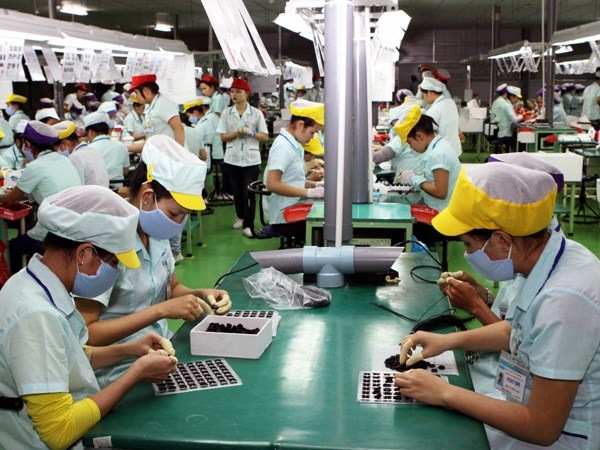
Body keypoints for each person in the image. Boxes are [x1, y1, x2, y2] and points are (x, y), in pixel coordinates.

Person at [395, 163, 600, 449]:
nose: (468, 254)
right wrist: (447, 342)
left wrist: (444, 393)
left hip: (559, 439)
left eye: (468, 245)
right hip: (522, 404)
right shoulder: (546, 259)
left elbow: (542, 427)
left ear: (502, 240)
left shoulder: (565, 301)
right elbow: (517, 332)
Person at [0, 185, 179, 450]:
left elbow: (68, 358)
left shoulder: (31, 283)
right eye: (114, 263)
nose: (116, 271)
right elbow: (58, 432)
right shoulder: (35, 315)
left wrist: (129, 350)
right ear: (83, 254)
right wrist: (136, 373)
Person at [74, 135, 231, 387]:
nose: (178, 223)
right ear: (147, 197)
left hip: (161, 355)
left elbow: (171, 288)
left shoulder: (156, 232)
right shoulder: (107, 245)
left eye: (184, 216)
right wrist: (160, 311)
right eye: (175, 213)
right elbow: (87, 333)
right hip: (117, 371)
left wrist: (201, 294)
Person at [0, 121, 81, 272]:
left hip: (53, 230)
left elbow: (11, 198)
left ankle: (18, 279)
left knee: (12, 248)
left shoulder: (35, 167)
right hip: (74, 224)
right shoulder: (64, 160)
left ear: (28, 145)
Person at [264, 99, 325, 239]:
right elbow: (272, 184)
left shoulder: (293, 145)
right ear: (300, 125)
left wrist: (316, 185)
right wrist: (309, 192)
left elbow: (292, 179)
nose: (312, 137)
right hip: (284, 217)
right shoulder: (283, 147)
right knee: (327, 226)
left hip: (293, 208)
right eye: (312, 132)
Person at [217, 78, 269, 237]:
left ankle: (248, 224)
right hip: (232, 158)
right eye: (232, 92)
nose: (234, 95)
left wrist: (251, 133)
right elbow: (223, 136)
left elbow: (265, 136)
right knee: (237, 192)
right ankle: (240, 216)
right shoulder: (226, 113)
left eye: (238, 92)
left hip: (250, 160)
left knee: (248, 192)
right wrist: (235, 134)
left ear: (247, 93)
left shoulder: (256, 113)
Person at [127, 74, 185, 150]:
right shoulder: (149, 107)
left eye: (136, 92)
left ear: (146, 91)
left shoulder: (163, 103)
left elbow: (179, 128)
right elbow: (149, 141)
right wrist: (124, 147)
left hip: (170, 153)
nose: (136, 96)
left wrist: (178, 153)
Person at [52, 120, 110, 188]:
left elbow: (75, 188)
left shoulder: (74, 158)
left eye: (56, 150)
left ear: (63, 144)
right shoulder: (91, 150)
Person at [418, 77, 462, 157]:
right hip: (455, 151)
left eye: (423, 95)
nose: (424, 98)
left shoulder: (435, 110)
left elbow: (425, 132)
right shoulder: (450, 102)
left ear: (429, 92)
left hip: (443, 155)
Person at [84, 111, 130, 185]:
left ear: (90, 132)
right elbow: (125, 172)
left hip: (97, 190)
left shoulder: (87, 150)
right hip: (119, 189)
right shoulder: (121, 146)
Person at [490, 84, 522, 152]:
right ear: (511, 96)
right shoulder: (505, 104)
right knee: (521, 143)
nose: (517, 100)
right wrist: (522, 116)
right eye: (517, 98)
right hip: (505, 134)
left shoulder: (497, 102)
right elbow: (514, 120)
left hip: (497, 133)